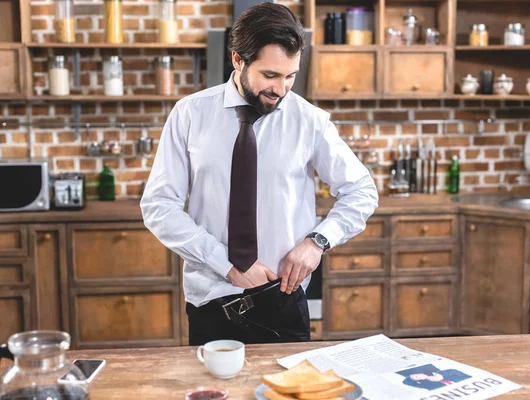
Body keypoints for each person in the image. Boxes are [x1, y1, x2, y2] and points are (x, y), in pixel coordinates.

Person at [140, 2, 378, 346]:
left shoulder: (309, 121)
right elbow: (159, 206)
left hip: (283, 299)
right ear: (238, 59)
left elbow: (362, 190)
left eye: (290, 76)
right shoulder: (189, 115)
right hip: (211, 301)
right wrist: (227, 265)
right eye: (270, 75)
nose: (281, 90)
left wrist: (317, 242)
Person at [396, 364, 471, 391]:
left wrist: (412, 377)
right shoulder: (427, 384)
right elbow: (407, 382)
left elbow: (407, 382)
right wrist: (441, 375)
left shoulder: (428, 386)